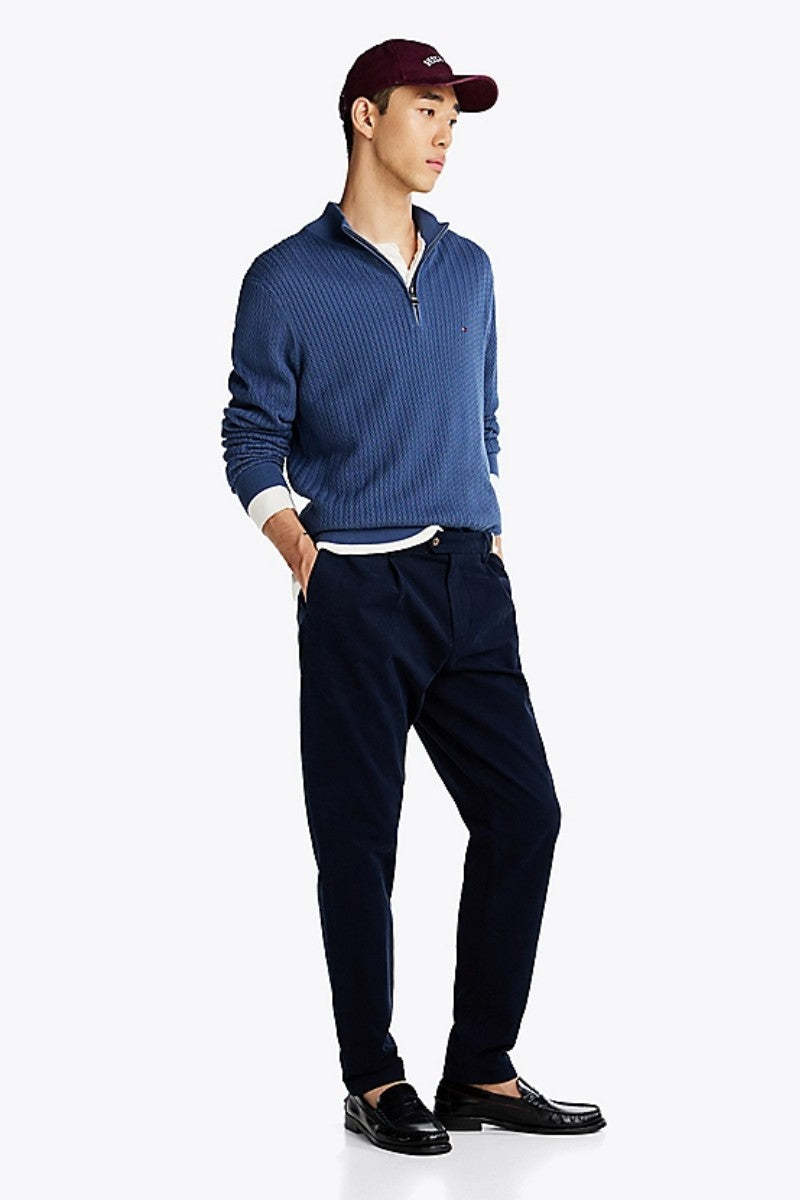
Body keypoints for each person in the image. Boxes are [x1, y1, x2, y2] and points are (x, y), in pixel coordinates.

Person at [221, 37, 605, 1156]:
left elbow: (484, 415)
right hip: (356, 589)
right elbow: (248, 438)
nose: (444, 133)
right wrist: (300, 549)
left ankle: (479, 1067)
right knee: (359, 843)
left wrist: (482, 521)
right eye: (426, 108)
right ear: (364, 115)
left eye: (453, 116)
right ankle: (375, 1078)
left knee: (524, 814)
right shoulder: (286, 278)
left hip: (468, 582)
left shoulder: (471, 268)